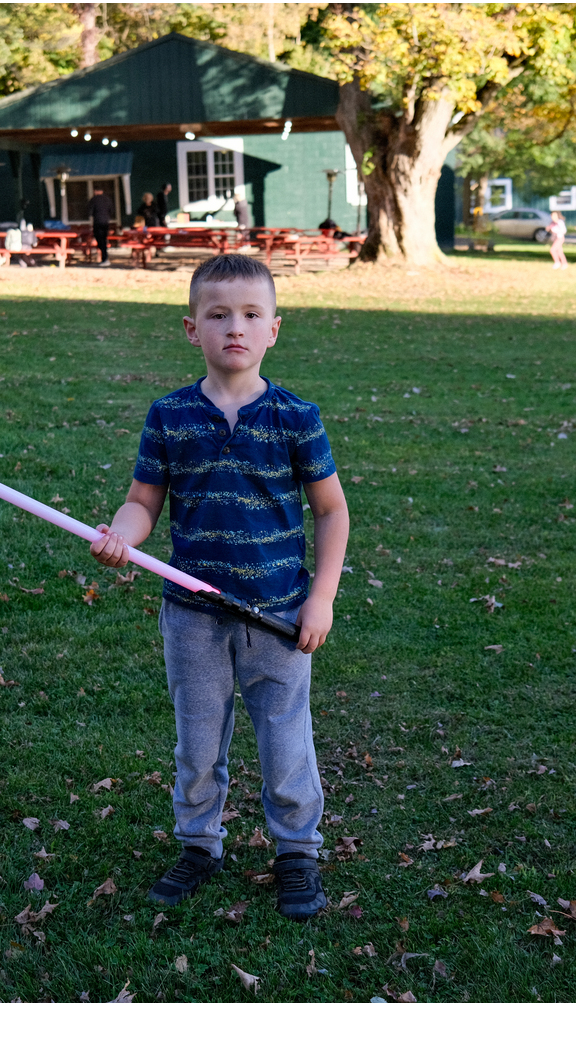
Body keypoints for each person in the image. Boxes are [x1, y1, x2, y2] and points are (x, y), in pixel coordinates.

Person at [89, 254, 349, 922]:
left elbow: (330, 511)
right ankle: (199, 843)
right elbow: (142, 502)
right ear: (191, 328)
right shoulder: (170, 416)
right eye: (219, 314)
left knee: (285, 740)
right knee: (198, 739)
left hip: (279, 615)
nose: (236, 327)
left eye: (251, 314)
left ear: (274, 330)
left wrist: (319, 598)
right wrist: (123, 534)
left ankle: (296, 851)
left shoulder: (296, 418)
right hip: (193, 616)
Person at [89, 186, 116, 264]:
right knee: (103, 240)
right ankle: (104, 257)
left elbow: (90, 212)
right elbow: (112, 211)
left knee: (100, 240)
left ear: (95, 191)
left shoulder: (94, 200)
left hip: (97, 222)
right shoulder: (107, 199)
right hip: (105, 222)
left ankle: (104, 258)